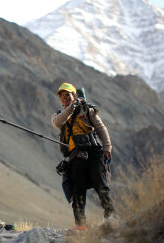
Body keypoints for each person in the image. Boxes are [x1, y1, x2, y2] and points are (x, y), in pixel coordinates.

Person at [51, 82, 117, 229]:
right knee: (77, 190)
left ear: (74, 95)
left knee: (101, 185)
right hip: (75, 156)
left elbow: (101, 128)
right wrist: (72, 107)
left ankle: (111, 215)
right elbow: (57, 123)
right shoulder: (57, 115)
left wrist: (107, 147)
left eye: (67, 94)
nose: (64, 98)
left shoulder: (87, 110)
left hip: (94, 152)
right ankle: (81, 224)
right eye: (62, 96)